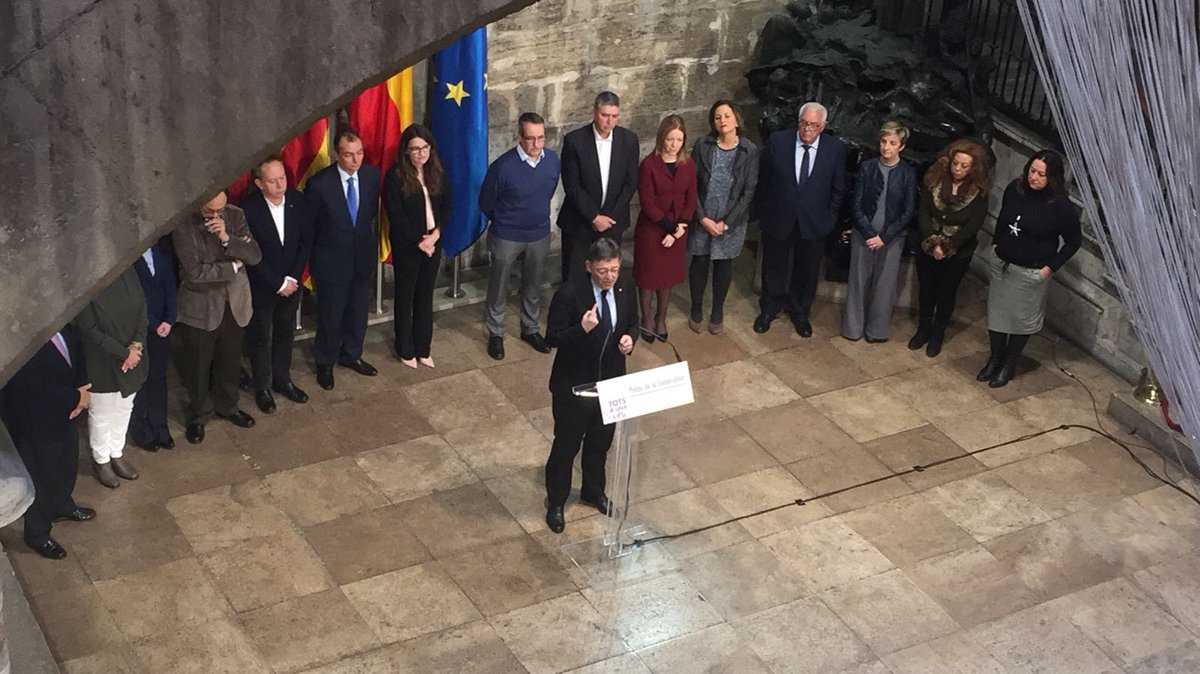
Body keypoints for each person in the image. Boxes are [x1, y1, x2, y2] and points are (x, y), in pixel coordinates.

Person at [543, 238, 638, 534]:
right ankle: (556, 501)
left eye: (613, 269)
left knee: (600, 444)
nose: (609, 276)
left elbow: (632, 323)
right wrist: (581, 329)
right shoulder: (570, 294)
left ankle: (593, 491)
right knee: (566, 446)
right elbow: (552, 338)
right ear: (589, 267)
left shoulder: (625, 287)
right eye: (602, 271)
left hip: (610, 384)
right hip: (574, 386)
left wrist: (629, 340)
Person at [979, 150, 1081, 387]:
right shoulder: (1015, 189)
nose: (1034, 177)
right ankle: (995, 358)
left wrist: (1050, 267)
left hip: (1031, 271)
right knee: (998, 314)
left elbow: (1074, 242)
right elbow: (1004, 219)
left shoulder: (1061, 206)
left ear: (1052, 178)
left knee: (1020, 319)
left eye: (1041, 174)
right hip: (1003, 262)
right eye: (1032, 171)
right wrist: (996, 243)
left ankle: (1008, 364)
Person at [173, 191, 262, 444]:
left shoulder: (236, 215)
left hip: (235, 306)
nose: (216, 215)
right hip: (201, 308)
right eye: (211, 212)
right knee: (198, 366)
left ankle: (228, 406)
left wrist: (226, 237)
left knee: (230, 361)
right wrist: (233, 266)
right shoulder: (183, 225)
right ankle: (198, 416)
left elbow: (254, 256)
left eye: (220, 210)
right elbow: (195, 273)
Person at [1, 328, 95, 559]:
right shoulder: (16, 340)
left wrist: (83, 389)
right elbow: (30, 390)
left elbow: (77, 352)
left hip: (65, 415)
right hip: (34, 424)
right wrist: (76, 399)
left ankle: (62, 504)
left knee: (66, 463)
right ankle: (37, 533)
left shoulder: (61, 324)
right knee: (41, 477)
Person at [756, 101, 848, 338]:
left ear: (823, 126)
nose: (808, 130)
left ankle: (800, 312)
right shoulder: (778, 142)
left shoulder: (835, 149)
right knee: (774, 266)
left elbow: (838, 188)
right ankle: (769, 308)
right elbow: (764, 181)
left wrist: (829, 219)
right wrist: (765, 214)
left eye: (814, 125)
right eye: (804, 124)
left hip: (814, 223)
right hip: (779, 218)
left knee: (807, 271)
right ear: (799, 122)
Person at [479, 112, 562, 361]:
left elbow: (548, 190)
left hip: (538, 233)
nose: (536, 145)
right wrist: (507, 220)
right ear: (519, 138)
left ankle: (531, 328)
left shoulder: (552, 161)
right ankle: (495, 333)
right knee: (499, 284)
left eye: (541, 138)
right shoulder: (503, 167)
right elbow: (486, 202)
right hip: (507, 235)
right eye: (530, 139)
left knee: (533, 283)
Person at [305, 131, 382, 390]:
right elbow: (310, 228)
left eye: (359, 153)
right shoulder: (319, 184)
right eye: (349, 154)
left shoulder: (372, 176)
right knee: (330, 314)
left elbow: (369, 217)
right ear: (337, 154)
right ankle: (325, 362)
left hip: (361, 259)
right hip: (330, 262)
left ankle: (352, 354)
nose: (355, 159)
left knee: (358, 311)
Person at [243, 156, 314, 412]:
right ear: (260, 183)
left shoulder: (298, 200)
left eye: (282, 178)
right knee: (260, 337)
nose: (279, 185)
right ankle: (262, 386)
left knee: (285, 334)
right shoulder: (248, 209)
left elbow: (305, 242)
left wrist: (292, 279)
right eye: (272, 181)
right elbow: (250, 254)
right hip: (263, 286)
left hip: (291, 285)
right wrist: (276, 283)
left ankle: (282, 380)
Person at [908, 139, 991, 357]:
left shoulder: (979, 192)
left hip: (958, 251)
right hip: (928, 245)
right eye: (956, 164)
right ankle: (923, 329)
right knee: (926, 289)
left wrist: (948, 246)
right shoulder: (933, 179)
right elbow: (924, 212)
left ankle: (937, 334)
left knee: (946, 293)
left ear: (973, 167)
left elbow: (973, 225)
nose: (958, 169)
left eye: (964, 166)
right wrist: (933, 242)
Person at [842, 121, 918, 343]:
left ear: (901, 147)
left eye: (892, 143)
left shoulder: (907, 174)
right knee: (857, 282)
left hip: (892, 239)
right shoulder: (867, 167)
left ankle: (877, 331)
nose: (886, 147)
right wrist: (868, 233)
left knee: (884, 286)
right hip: (863, 234)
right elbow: (855, 204)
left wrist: (884, 237)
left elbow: (908, 210)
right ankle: (853, 329)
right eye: (884, 142)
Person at [689, 100, 760, 335]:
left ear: (736, 119)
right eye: (718, 117)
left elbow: (748, 191)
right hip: (704, 216)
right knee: (699, 262)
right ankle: (696, 308)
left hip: (731, 219)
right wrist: (702, 217)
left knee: (723, 264)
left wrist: (727, 222)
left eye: (727, 116)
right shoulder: (703, 145)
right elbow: (692, 183)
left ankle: (717, 311)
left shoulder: (749, 150)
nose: (723, 121)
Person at [74, 266, 148, 487]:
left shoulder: (128, 271)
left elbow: (142, 310)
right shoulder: (86, 282)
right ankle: (101, 459)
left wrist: (135, 347)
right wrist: (124, 353)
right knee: (102, 412)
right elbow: (88, 328)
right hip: (102, 361)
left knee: (125, 407)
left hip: (133, 356)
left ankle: (116, 452)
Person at [557, 91, 640, 282]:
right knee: (575, 276)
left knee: (607, 276)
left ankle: (604, 311)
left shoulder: (629, 140)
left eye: (614, 116)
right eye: (604, 115)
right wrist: (594, 216)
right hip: (579, 222)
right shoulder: (574, 140)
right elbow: (571, 184)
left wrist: (608, 217)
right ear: (595, 112)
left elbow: (630, 183)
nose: (609, 121)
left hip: (613, 222)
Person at [385, 125, 448, 368]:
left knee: (425, 296)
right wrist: (421, 242)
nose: (421, 154)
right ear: (406, 152)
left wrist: (435, 236)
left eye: (424, 148)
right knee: (405, 296)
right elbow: (396, 215)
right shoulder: (395, 177)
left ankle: (423, 347)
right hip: (408, 246)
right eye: (415, 149)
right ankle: (405, 348)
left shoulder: (437, 173)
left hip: (434, 242)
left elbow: (447, 208)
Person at [633, 114, 696, 341]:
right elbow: (647, 202)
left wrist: (681, 226)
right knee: (649, 276)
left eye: (679, 140)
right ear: (662, 138)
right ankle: (647, 318)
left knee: (667, 277)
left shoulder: (688, 164)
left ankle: (661, 318)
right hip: (652, 229)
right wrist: (670, 227)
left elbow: (691, 198)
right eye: (670, 139)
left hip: (678, 229)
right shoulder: (649, 165)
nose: (674, 145)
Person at [130, 240, 177, 450]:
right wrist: (154, 324)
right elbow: (133, 300)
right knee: (140, 381)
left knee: (158, 379)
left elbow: (170, 286)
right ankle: (142, 431)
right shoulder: (128, 259)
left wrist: (169, 319)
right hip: (138, 331)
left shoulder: (161, 251)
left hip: (162, 330)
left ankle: (160, 427)